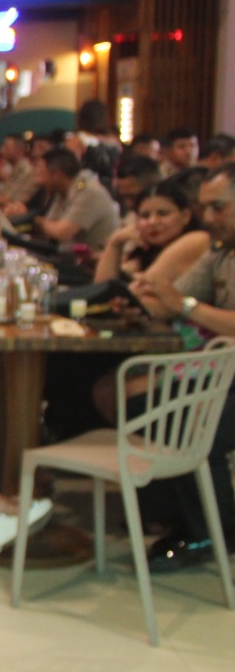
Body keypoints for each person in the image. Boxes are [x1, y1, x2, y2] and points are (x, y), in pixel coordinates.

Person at [130, 164, 235, 568]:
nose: (209, 218)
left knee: (192, 426)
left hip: (224, 379)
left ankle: (212, 533)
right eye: (205, 208)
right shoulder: (219, 251)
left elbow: (186, 305)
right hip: (221, 374)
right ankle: (180, 517)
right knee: (146, 409)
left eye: (219, 208)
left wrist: (187, 307)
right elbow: (173, 299)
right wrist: (135, 298)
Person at [93, 175, 208, 285]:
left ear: (185, 216)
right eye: (145, 216)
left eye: (163, 213)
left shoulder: (197, 240)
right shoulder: (146, 252)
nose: (152, 222)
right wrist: (116, 241)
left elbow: (142, 289)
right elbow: (103, 288)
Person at [32, 147, 119, 250]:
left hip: (94, 261)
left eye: (40, 170)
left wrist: (37, 222)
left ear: (56, 174)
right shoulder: (63, 189)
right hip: (71, 257)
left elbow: (62, 233)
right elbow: (51, 225)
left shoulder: (87, 191)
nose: (36, 177)